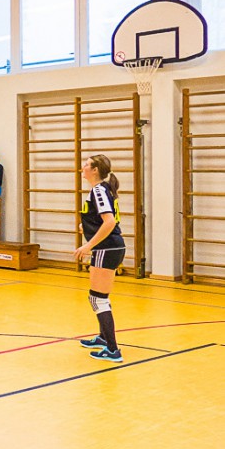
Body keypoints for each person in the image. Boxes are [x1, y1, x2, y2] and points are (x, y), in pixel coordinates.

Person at [74, 154, 126, 363]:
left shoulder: (98, 190)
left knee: (98, 298)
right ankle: (104, 339)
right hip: (109, 248)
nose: (83, 167)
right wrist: (86, 228)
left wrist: (88, 245)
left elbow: (109, 221)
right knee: (98, 296)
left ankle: (113, 350)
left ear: (95, 170)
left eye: (87, 165)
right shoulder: (101, 190)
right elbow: (101, 220)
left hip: (107, 248)